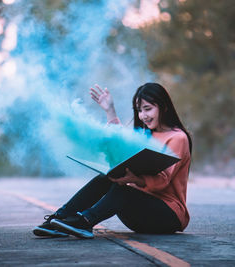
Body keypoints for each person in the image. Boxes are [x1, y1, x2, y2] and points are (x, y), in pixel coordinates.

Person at [33, 82, 192, 239]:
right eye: (139, 111)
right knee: (106, 178)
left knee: (124, 190)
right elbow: (121, 144)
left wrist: (135, 179)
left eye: (148, 109)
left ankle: (84, 221)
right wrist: (110, 110)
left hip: (168, 216)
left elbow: (163, 180)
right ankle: (59, 219)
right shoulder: (147, 135)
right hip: (139, 213)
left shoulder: (178, 138)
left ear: (164, 107)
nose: (143, 116)